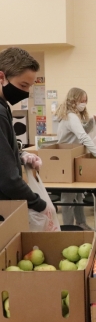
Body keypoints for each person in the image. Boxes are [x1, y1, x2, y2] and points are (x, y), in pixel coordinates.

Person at [0, 47, 49, 214]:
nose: (26, 92)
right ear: (1, 77)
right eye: (22, 85)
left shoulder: (4, 107)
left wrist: (21, 155)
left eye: (29, 86)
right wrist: (39, 204)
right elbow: (7, 178)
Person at [55, 87, 96, 230]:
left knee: (78, 196)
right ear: (74, 99)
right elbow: (83, 137)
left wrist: (92, 122)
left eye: (85, 101)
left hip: (74, 159)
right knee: (68, 198)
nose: (84, 104)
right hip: (67, 160)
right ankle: (68, 229)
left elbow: (81, 132)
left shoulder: (72, 116)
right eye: (81, 100)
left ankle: (81, 223)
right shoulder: (71, 116)